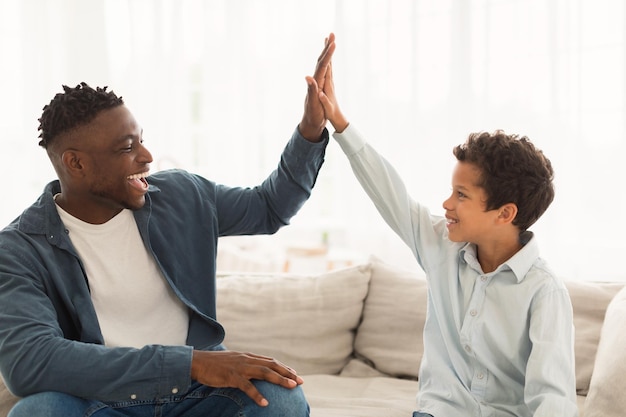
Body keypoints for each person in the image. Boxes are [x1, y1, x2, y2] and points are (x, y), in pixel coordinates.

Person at [0, 34, 336, 417]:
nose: (147, 156)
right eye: (127, 148)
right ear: (76, 164)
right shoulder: (20, 248)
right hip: (102, 399)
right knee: (37, 412)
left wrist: (310, 129)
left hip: (198, 393)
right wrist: (187, 363)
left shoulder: (182, 195)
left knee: (280, 399)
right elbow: (29, 363)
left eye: (141, 141)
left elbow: (268, 208)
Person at [316, 41, 578, 416]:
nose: (446, 204)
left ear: (504, 214)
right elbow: (391, 194)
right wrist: (340, 122)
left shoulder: (544, 293)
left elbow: (552, 399)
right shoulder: (441, 245)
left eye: (461, 195)